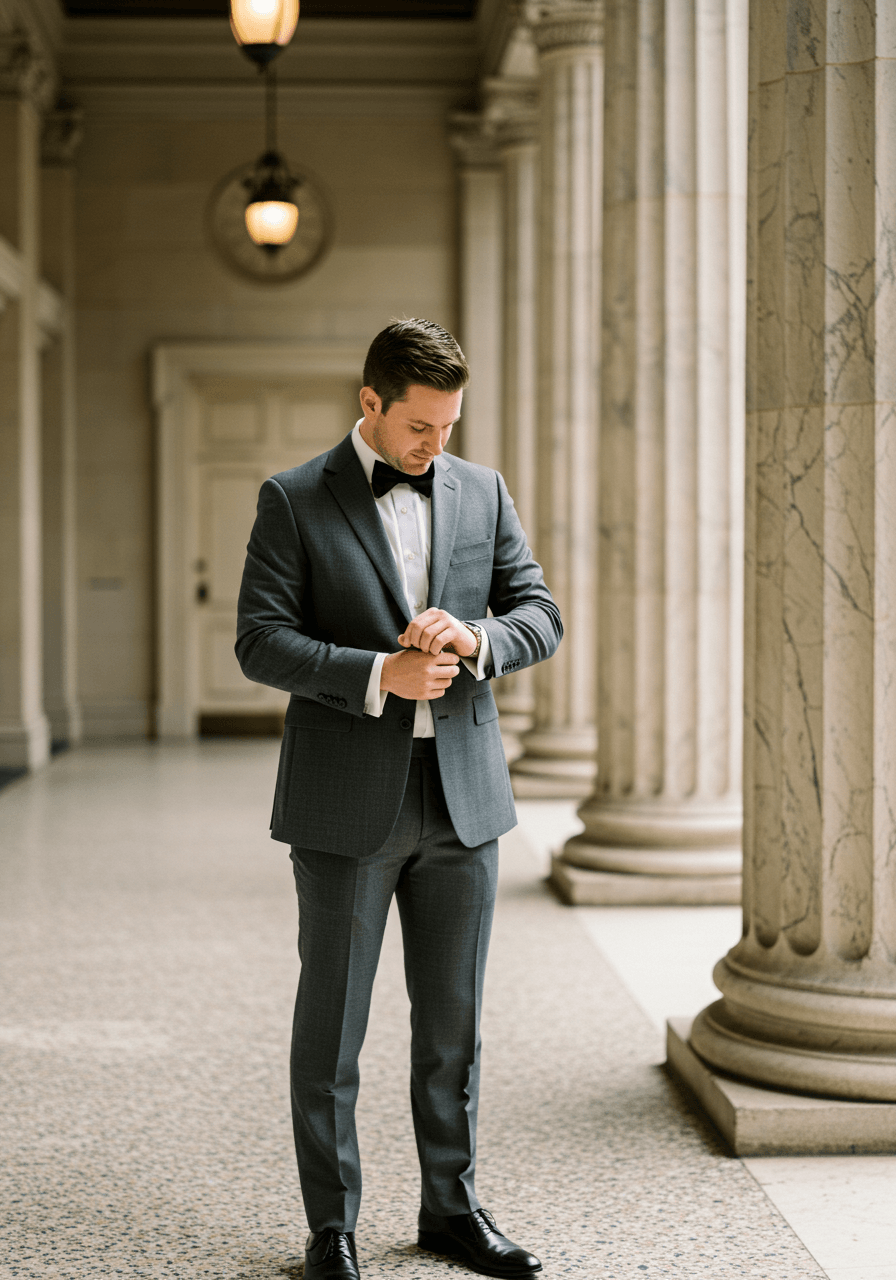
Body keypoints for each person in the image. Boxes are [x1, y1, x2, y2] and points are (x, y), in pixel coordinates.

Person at [235, 319, 562, 1280]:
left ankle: (451, 1211)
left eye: (450, 427)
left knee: (451, 1026)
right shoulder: (293, 499)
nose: (437, 447)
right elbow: (260, 641)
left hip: (465, 799)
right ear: (369, 403)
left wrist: (472, 639)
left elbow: (538, 613)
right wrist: (379, 671)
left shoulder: (483, 492)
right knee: (333, 1026)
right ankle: (330, 1226)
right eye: (420, 427)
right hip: (345, 805)